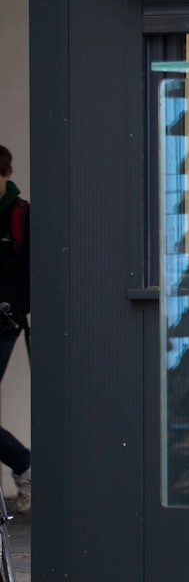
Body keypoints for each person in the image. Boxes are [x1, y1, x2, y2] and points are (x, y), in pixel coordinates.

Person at [0, 145, 31, 513]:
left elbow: (31, 273)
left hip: (4, 325)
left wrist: (18, 310)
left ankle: (24, 463)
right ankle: (23, 463)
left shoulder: (21, 215)